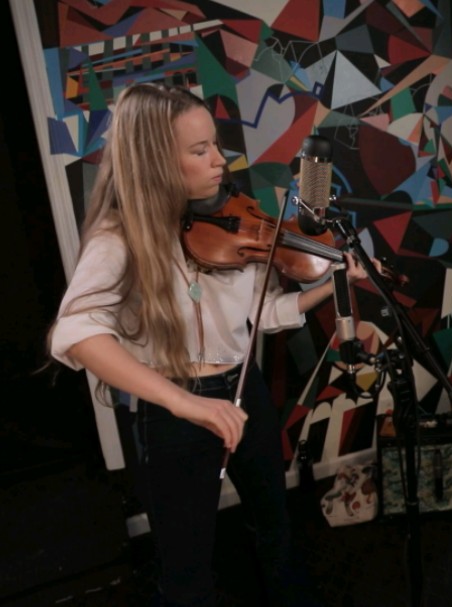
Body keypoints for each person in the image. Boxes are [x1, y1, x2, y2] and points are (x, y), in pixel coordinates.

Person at [47, 83, 367, 606]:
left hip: (245, 390)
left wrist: (329, 288)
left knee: (275, 524)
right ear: (154, 160)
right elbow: (75, 332)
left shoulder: (233, 216)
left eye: (215, 146)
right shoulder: (118, 236)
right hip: (172, 407)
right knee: (186, 562)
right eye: (200, 151)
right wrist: (185, 402)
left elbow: (260, 313)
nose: (220, 161)